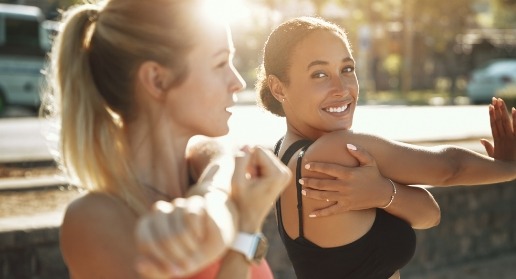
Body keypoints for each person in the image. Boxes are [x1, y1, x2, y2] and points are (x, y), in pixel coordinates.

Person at [40, 0, 291, 278]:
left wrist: (212, 197)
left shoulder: (205, 171)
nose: (237, 82)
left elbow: (219, 158)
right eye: (220, 63)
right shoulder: (93, 219)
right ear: (157, 80)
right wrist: (245, 229)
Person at [256, 16, 516, 279]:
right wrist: (508, 168)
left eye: (347, 69)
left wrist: (383, 193)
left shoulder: (285, 153)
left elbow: (430, 212)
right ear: (278, 88)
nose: (342, 88)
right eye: (319, 74)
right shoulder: (335, 151)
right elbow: (449, 168)